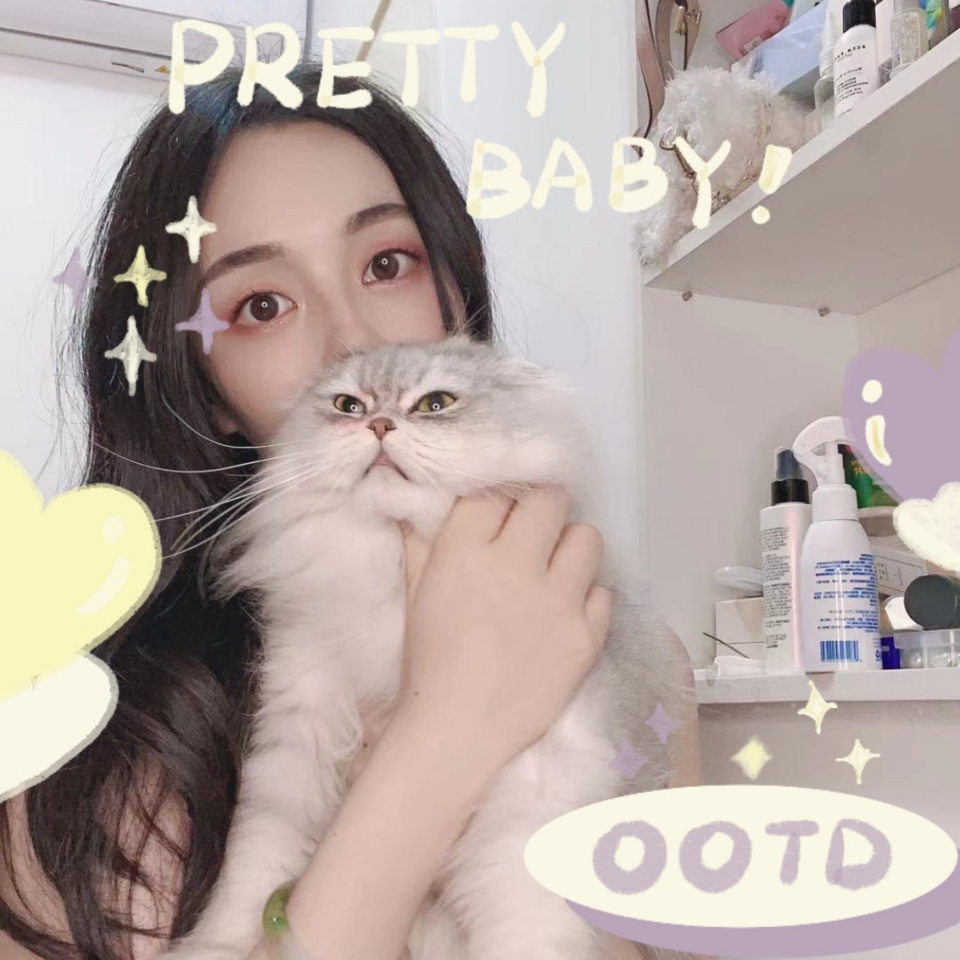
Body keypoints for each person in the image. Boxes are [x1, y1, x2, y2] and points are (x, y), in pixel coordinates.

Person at [0, 62, 700, 960]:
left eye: (387, 264)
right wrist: (440, 741)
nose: (355, 344)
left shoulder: (639, 658)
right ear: (202, 386)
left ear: (457, 300)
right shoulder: (57, 741)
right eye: (262, 305)